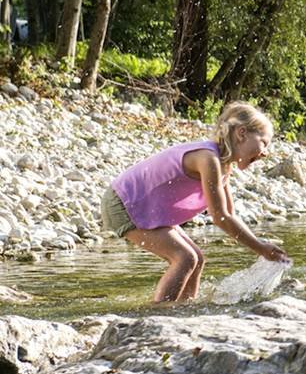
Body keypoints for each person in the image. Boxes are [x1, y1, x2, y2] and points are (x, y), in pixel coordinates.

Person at [100, 102, 290, 304]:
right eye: (264, 143)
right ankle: (158, 314)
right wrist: (260, 248)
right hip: (124, 204)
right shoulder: (207, 158)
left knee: (196, 259)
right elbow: (220, 218)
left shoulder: (223, 166)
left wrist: (260, 245)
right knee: (185, 258)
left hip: (147, 207)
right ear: (242, 133)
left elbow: (230, 216)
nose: (265, 153)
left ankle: (185, 308)